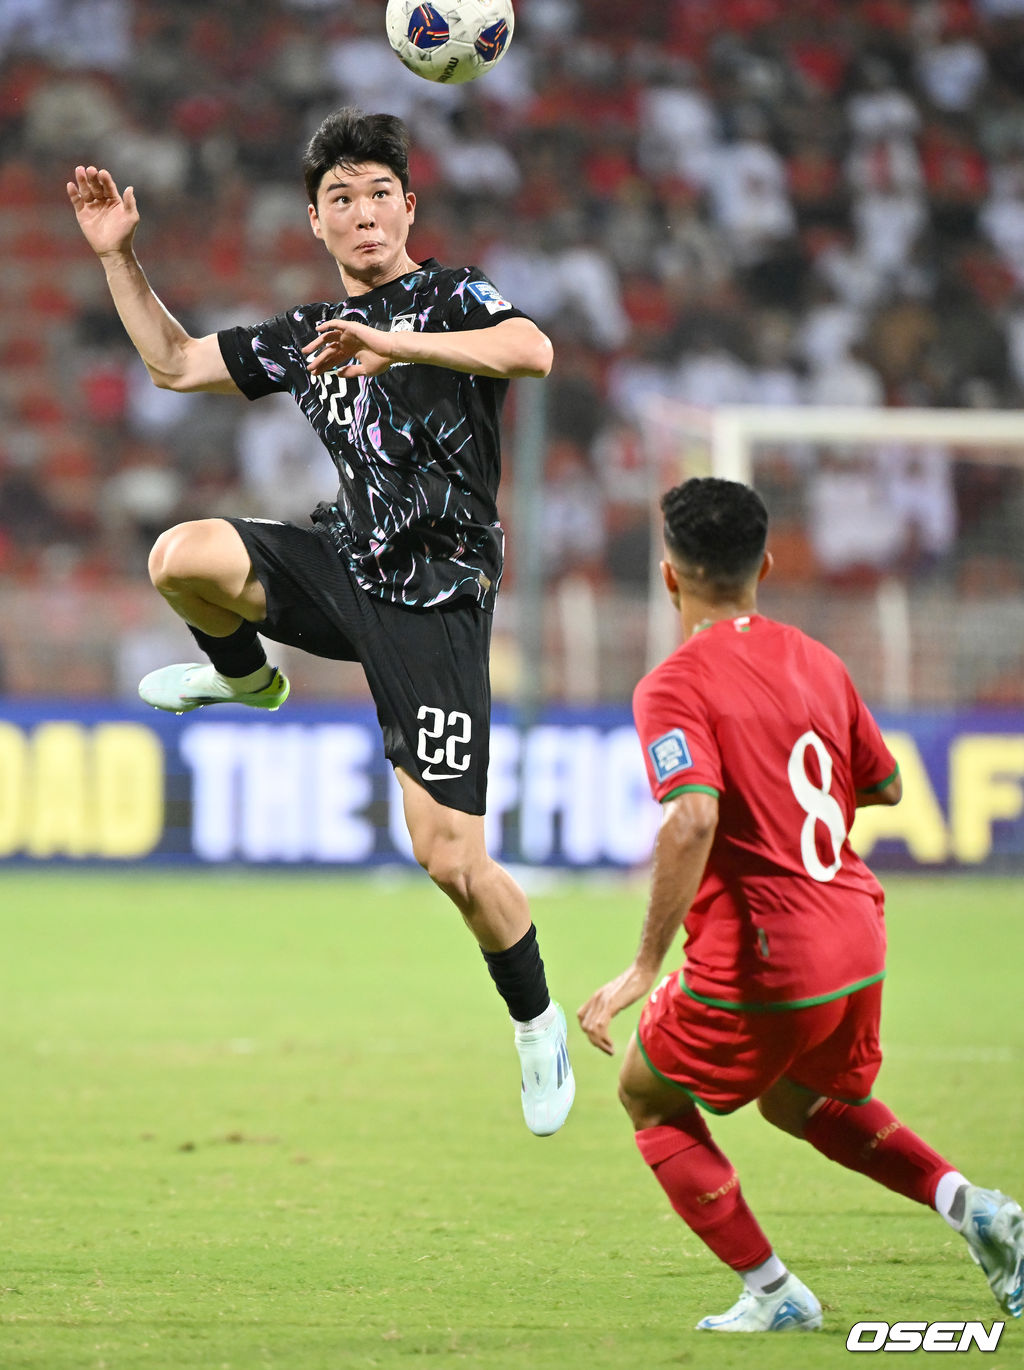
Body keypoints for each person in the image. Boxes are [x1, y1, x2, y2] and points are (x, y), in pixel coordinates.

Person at [67, 106, 574, 1137]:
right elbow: (173, 362)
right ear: (315, 221)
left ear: (407, 207)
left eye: (378, 192)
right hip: (349, 560)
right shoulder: (306, 336)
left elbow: (534, 350)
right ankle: (247, 678)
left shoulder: (446, 294)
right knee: (181, 556)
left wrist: (391, 342)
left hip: (437, 593)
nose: (363, 212)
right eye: (340, 197)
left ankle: (534, 1019)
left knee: (452, 862)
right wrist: (121, 259)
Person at [578, 477, 1024, 1330]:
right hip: (857, 934)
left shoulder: (672, 685)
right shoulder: (818, 658)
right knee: (796, 1098)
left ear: (670, 577)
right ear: (767, 566)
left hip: (768, 954)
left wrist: (645, 966)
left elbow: (693, 815)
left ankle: (774, 1294)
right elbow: (884, 783)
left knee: (648, 1094)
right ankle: (974, 1209)